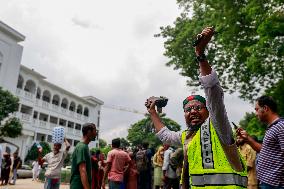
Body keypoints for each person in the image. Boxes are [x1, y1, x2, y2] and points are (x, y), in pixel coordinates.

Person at [145, 27, 247, 189]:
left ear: (208, 112)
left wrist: (200, 54)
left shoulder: (219, 127)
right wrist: (152, 112)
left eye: (198, 108)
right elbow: (166, 136)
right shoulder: (188, 136)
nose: (192, 111)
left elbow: (213, 93)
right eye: (188, 109)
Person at [237, 96, 284, 188]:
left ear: (265, 108)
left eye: (257, 109)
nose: (256, 113)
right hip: (266, 183)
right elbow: (263, 150)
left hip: (275, 185)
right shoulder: (272, 128)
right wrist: (248, 139)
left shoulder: (281, 126)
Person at [70, 123, 97, 189]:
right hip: (78, 186)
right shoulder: (82, 147)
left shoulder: (85, 146)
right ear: (89, 132)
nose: (96, 134)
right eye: (95, 131)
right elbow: (82, 170)